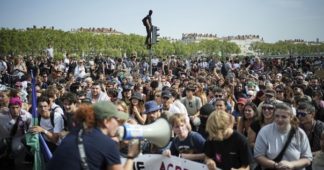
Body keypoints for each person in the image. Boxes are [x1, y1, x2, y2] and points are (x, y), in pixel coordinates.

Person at [47, 102, 139, 170]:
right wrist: (131, 155)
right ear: (106, 122)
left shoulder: (75, 133)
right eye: (116, 120)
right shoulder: (107, 144)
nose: (118, 123)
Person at [254, 103, 312, 170]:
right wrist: (276, 165)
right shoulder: (264, 131)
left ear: (291, 118)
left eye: (284, 117)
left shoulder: (300, 133)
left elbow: (307, 159)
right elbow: (258, 156)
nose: (279, 119)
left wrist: (292, 165)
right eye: (277, 116)